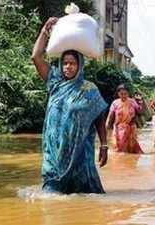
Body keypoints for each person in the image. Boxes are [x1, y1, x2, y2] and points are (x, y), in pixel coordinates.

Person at [32, 17, 109, 194]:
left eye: (72, 63)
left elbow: (99, 119)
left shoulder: (89, 89)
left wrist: (104, 146)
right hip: (54, 154)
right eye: (65, 63)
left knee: (83, 196)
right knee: (51, 195)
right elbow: (35, 56)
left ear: (80, 65)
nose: (68, 67)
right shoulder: (54, 82)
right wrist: (45, 31)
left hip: (80, 156)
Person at [106, 85, 144, 154]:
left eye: (125, 94)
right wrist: (107, 127)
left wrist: (141, 102)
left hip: (131, 129)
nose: (123, 96)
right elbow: (110, 116)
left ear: (128, 93)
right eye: (121, 94)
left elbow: (140, 112)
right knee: (120, 151)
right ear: (118, 94)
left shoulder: (132, 102)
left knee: (133, 151)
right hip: (119, 130)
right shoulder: (115, 103)